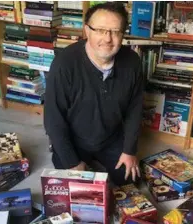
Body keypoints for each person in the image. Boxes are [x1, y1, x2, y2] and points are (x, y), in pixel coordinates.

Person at [43, 2, 143, 186]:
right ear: (86, 30)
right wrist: (73, 163)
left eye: (115, 31)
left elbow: (135, 110)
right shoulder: (64, 63)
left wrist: (129, 151)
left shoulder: (133, 62)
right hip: (74, 140)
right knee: (76, 188)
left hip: (110, 137)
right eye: (100, 30)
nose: (107, 39)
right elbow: (53, 119)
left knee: (130, 179)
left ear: (123, 34)